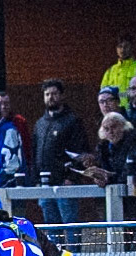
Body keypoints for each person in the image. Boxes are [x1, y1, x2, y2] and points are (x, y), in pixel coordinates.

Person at [33, 79, 88, 242]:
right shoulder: (40, 124)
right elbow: (35, 153)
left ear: (62, 96)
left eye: (54, 94)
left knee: (70, 225)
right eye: (47, 94)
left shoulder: (72, 121)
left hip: (65, 183)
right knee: (51, 228)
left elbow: (80, 152)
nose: (51, 97)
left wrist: (72, 178)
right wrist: (36, 180)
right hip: (44, 185)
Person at [85, 112, 136, 219]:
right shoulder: (103, 147)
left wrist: (110, 178)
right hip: (112, 200)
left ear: (123, 127)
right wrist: (99, 177)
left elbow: (134, 169)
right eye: (106, 129)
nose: (111, 132)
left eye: (114, 127)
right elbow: (103, 168)